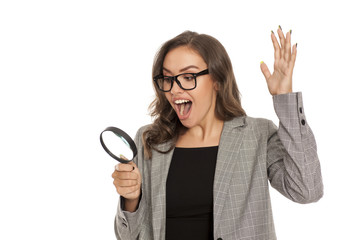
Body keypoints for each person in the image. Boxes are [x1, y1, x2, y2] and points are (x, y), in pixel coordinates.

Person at [111, 28, 323, 240]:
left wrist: (284, 98)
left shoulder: (257, 135)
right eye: (168, 79)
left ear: (217, 81)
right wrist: (131, 199)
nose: (174, 90)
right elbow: (127, 236)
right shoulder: (150, 140)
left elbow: (306, 190)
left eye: (187, 76)